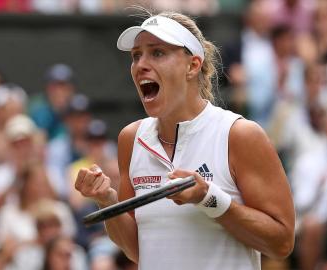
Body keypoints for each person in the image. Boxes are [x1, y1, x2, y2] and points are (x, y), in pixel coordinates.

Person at [75, 10, 295, 270]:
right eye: (136, 55)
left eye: (157, 52)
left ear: (192, 65)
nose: (141, 64)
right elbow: (137, 250)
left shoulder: (238, 134)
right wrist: (107, 201)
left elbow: (281, 243)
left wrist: (209, 199)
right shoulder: (131, 139)